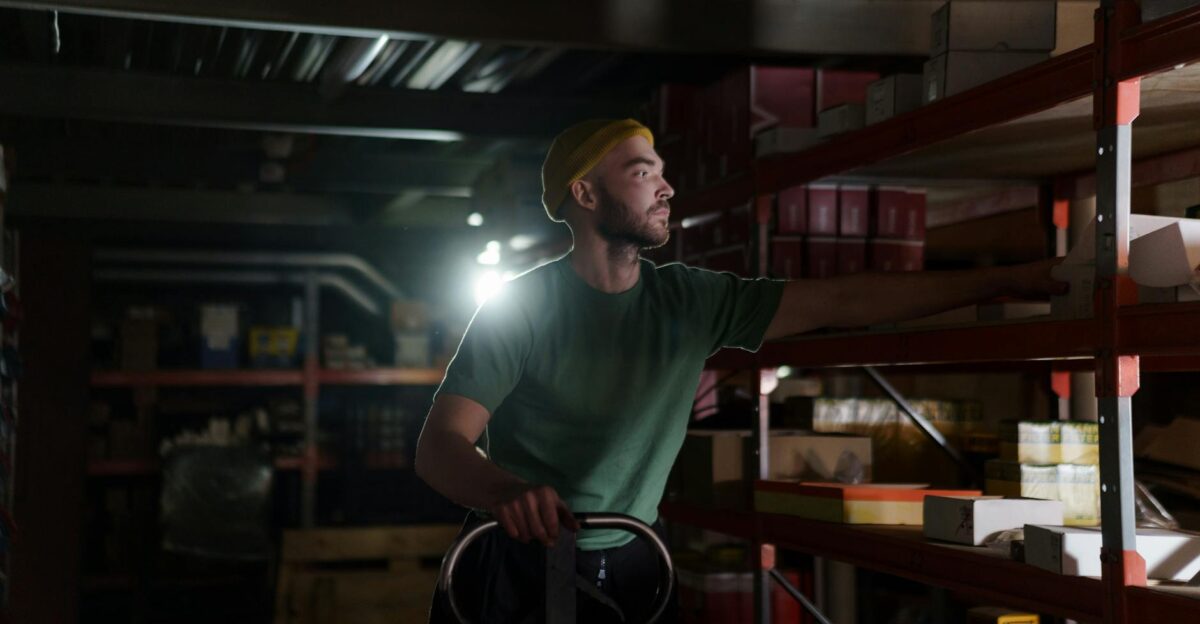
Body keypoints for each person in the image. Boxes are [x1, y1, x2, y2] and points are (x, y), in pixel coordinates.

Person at [416, 118, 1066, 623]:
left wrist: (1013, 278)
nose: (667, 187)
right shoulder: (521, 308)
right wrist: (504, 491)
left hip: (636, 558)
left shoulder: (688, 301)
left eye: (662, 171)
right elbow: (439, 446)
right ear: (584, 193)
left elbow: (844, 301)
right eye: (643, 173)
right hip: (515, 566)